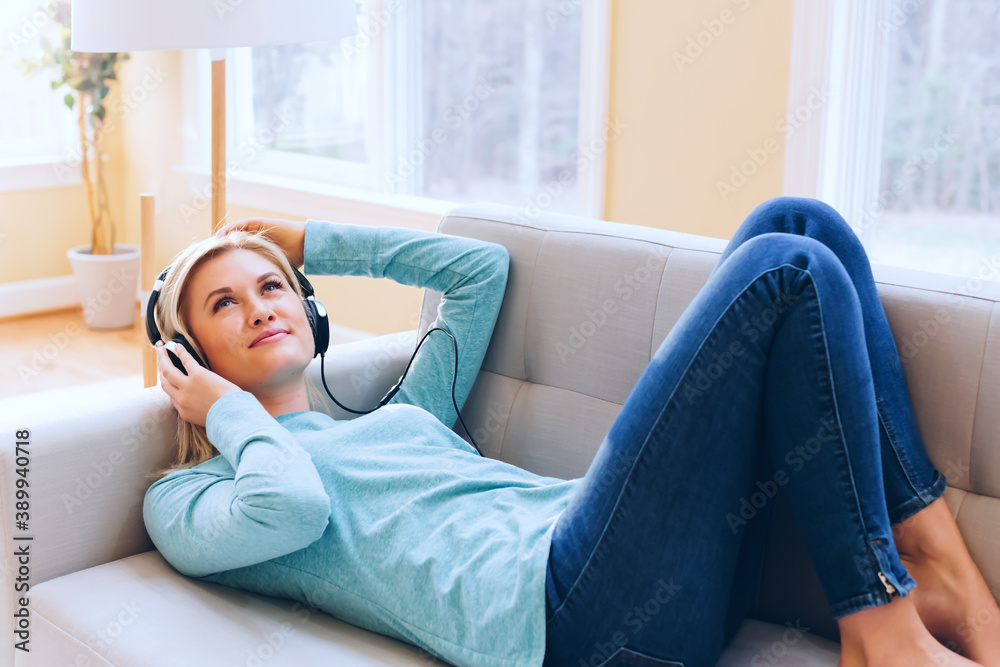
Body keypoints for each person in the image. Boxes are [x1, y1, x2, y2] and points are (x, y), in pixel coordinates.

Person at [141, 197, 1000, 667]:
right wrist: (222, 406)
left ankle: (940, 568)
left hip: (630, 565)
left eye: (274, 286)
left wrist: (313, 240)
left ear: (310, 310)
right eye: (225, 303)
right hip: (565, 620)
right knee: (788, 271)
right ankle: (881, 630)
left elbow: (479, 271)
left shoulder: (406, 413)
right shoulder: (191, 494)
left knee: (802, 227)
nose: (260, 305)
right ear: (188, 352)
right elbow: (289, 503)